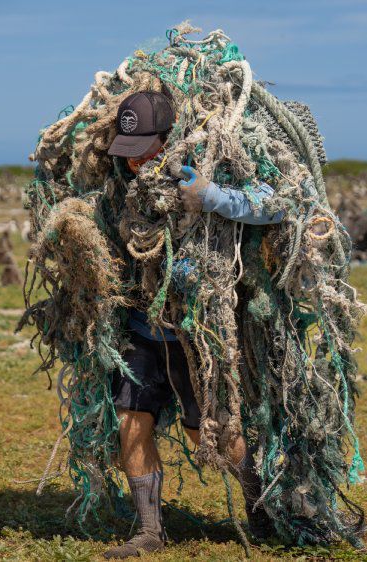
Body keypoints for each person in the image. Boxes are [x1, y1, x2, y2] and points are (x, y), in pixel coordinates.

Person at [102, 91, 285, 559]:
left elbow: (280, 202)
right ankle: (149, 531)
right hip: (142, 328)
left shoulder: (214, 165)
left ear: (170, 138)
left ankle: (261, 508)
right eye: (128, 152)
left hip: (196, 330)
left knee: (209, 432)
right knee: (131, 421)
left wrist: (214, 197)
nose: (136, 162)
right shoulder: (118, 184)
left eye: (145, 149)